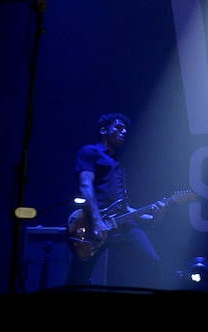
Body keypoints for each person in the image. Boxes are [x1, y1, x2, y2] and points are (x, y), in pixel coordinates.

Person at [65, 113, 163, 288]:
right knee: (78, 279)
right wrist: (96, 222)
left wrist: (150, 215)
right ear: (104, 130)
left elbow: (122, 207)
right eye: (119, 127)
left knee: (151, 262)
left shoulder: (118, 165)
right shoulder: (90, 152)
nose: (124, 131)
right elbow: (86, 186)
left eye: (125, 129)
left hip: (120, 225)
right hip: (92, 224)